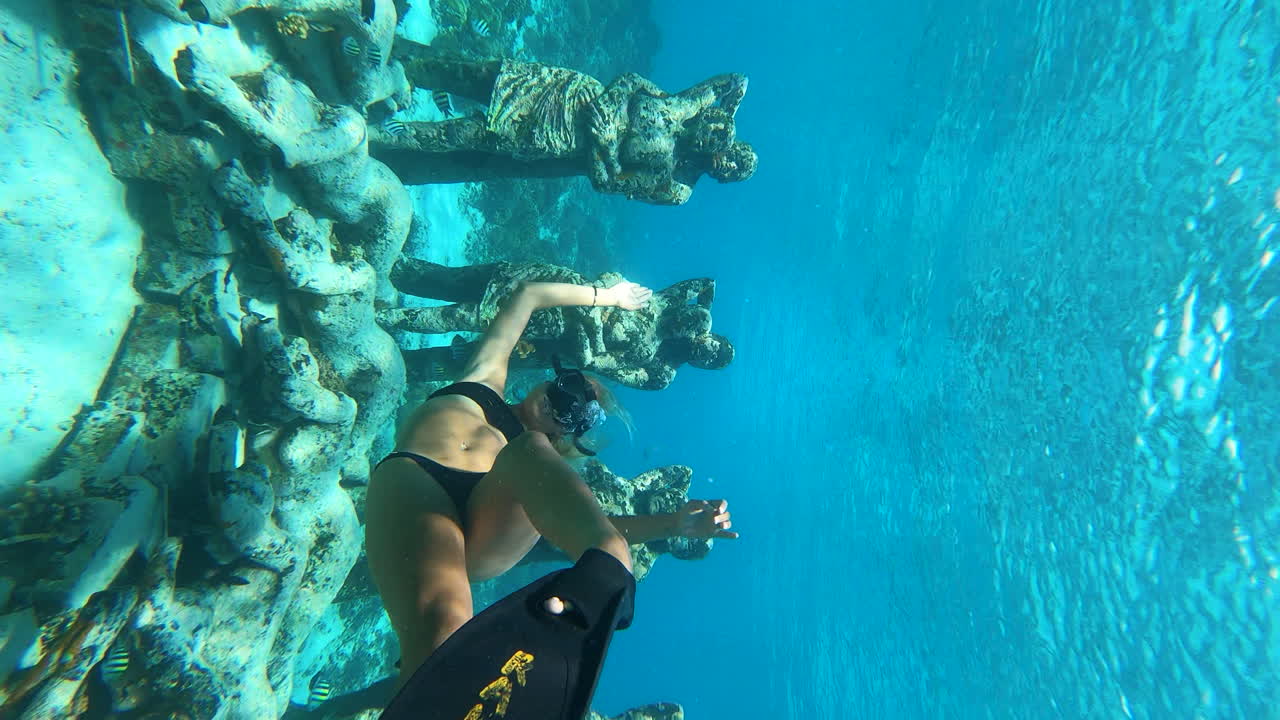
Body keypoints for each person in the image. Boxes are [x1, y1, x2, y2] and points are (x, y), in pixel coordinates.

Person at [364, 278, 738, 694]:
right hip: (418, 481)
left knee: (533, 452)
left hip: (484, 535)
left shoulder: (538, 465)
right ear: (552, 378)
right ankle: (440, 687)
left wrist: (673, 524)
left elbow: (580, 522)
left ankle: (607, 567)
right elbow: (528, 295)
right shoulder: (485, 376)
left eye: (572, 412)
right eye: (568, 388)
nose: (560, 402)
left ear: (568, 434)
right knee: (446, 626)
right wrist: (609, 297)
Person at [372, 44, 757, 204]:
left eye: (730, 172)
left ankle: (374, 134)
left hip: (562, 138)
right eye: (730, 156)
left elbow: (608, 182)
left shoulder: (675, 184)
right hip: (570, 91)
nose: (724, 164)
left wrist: (605, 140)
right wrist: (728, 122)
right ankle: (388, 65)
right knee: (474, 74)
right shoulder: (688, 106)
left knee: (461, 134)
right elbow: (738, 81)